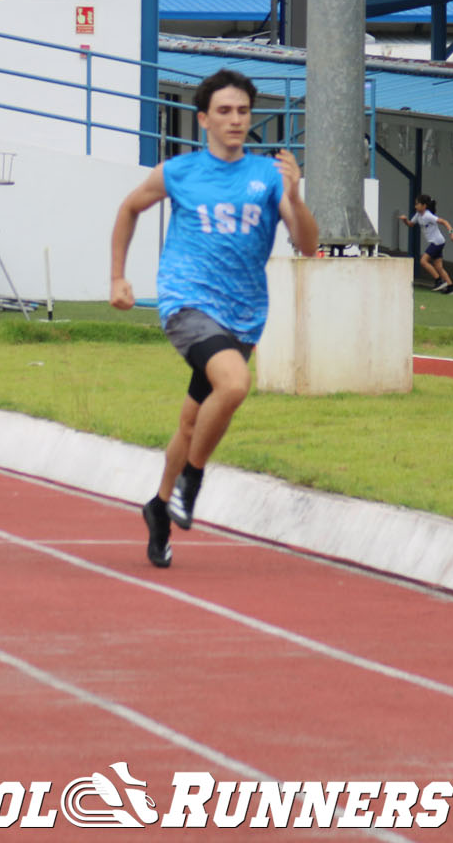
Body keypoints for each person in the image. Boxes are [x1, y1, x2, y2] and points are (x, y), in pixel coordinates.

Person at [109, 69, 318, 568]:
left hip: (243, 316)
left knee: (189, 421)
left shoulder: (269, 176)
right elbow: (130, 207)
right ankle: (192, 480)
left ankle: (159, 508)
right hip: (187, 304)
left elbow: (308, 245)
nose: (235, 120)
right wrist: (117, 277)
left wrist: (294, 195)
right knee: (235, 383)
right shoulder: (179, 172)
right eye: (224, 111)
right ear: (203, 119)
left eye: (243, 111)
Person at [399, 195, 453, 294]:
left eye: (417, 204)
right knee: (439, 267)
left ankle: (438, 281)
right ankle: (451, 287)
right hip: (437, 242)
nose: (415, 206)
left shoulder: (428, 215)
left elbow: (444, 221)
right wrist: (405, 220)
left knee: (423, 261)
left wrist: (452, 232)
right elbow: (411, 224)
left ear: (424, 206)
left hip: (437, 242)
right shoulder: (418, 215)